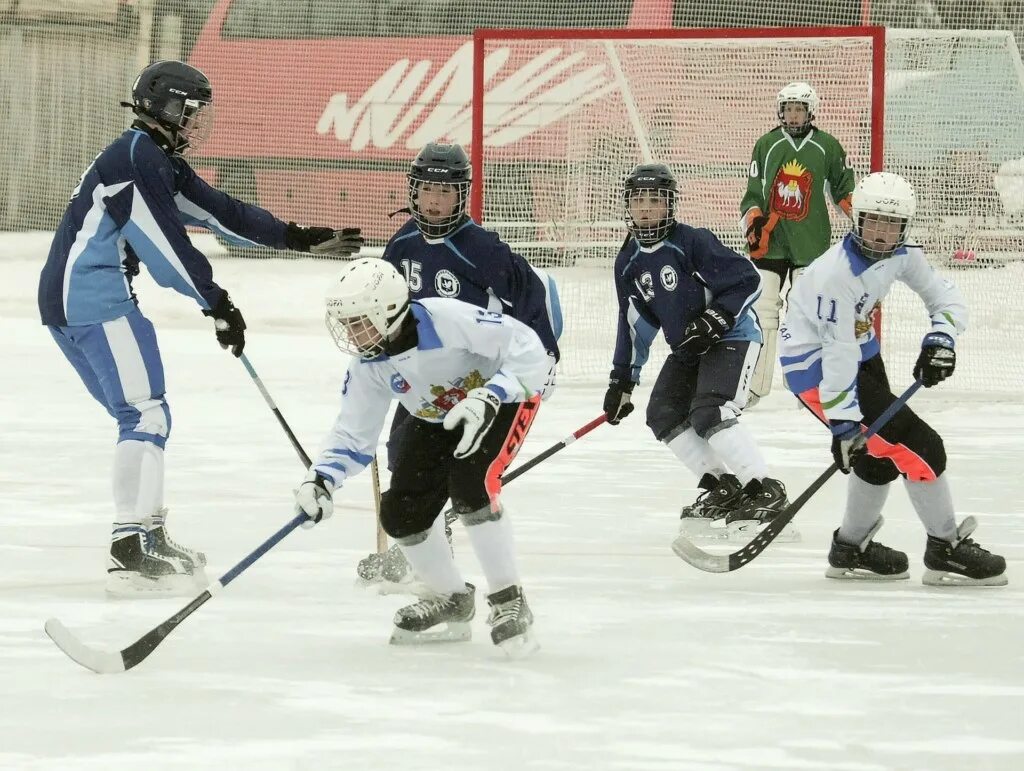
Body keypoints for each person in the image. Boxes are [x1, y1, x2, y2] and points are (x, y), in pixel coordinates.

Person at [37, 60, 363, 597]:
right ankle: (130, 545)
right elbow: (165, 248)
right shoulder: (137, 159)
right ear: (165, 107)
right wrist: (216, 302)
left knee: (141, 415)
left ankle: (145, 533)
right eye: (191, 111)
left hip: (76, 299)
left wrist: (296, 237)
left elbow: (220, 213)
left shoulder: (153, 158)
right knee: (144, 413)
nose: (197, 123)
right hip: (93, 297)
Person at [294, 258, 549, 656]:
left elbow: (529, 348)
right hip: (438, 412)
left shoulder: (449, 319)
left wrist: (491, 394)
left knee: (472, 485)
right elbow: (353, 431)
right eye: (345, 323)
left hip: (505, 397)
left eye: (358, 321)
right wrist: (321, 478)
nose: (349, 333)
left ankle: (508, 599)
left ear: (388, 312)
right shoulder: (369, 362)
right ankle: (451, 598)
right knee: (400, 513)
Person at [779, 171, 1006, 586]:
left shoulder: (903, 253)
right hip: (817, 370)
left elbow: (945, 296)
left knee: (878, 456)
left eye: (893, 224)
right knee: (923, 448)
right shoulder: (836, 276)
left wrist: (941, 339)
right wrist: (843, 423)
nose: (883, 234)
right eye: (874, 222)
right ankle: (945, 549)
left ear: (905, 226)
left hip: (859, 353)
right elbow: (837, 356)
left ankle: (851, 549)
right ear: (857, 220)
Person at [356, 141, 561, 587]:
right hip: (424, 378)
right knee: (402, 455)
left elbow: (531, 300)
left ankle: (486, 580)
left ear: (462, 195)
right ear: (413, 190)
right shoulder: (403, 242)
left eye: (445, 192)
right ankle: (425, 545)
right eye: (427, 189)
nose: (434, 201)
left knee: (466, 477)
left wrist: (543, 358)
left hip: (479, 377)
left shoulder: (481, 247)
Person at [602, 163, 794, 546]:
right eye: (638, 200)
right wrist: (622, 379)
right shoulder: (628, 263)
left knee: (712, 410)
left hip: (733, 336)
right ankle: (724, 488)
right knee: (662, 413)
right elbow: (633, 325)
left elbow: (747, 280)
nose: (645, 209)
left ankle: (766, 491)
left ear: (670, 205)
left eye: (655, 200)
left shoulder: (692, 242)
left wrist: (717, 317)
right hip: (688, 348)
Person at [741, 81, 855, 405]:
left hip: (810, 242)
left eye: (799, 109)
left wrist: (861, 217)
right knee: (762, 311)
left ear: (810, 112)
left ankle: (812, 387)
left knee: (808, 314)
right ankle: (755, 386)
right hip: (772, 242)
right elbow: (752, 194)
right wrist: (753, 223)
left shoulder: (827, 146)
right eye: (788, 108)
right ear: (780, 111)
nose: (792, 115)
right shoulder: (765, 145)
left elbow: (843, 189)